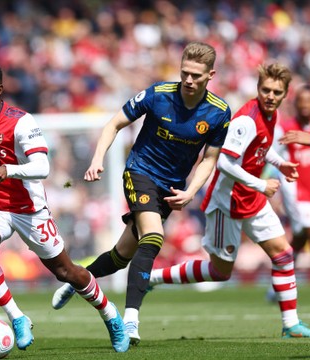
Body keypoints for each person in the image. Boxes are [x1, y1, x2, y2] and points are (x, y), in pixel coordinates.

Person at [0, 60, 129, 353]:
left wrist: (10, 169)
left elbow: (43, 166)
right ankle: (17, 317)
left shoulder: (21, 122)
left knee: (67, 272)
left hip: (29, 209)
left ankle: (110, 314)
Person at [52, 42, 231, 345]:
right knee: (154, 237)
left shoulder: (219, 112)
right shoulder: (157, 95)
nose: (188, 80)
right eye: (185, 73)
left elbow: (210, 158)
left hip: (171, 188)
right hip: (140, 172)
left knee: (122, 256)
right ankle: (131, 321)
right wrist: (98, 159)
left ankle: (77, 279)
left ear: (210, 75)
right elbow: (115, 123)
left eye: (196, 76)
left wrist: (191, 191)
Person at [148, 64, 310, 338]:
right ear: (258, 89)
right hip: (227, 203)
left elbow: (260, 150)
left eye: (276, 92)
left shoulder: (272, 115)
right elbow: (227, 163)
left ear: (284, 94)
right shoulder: (247, 119)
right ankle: (153, 277)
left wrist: (281, 163)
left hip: (252, 198)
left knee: (283, 254)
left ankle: (291, 324)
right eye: (265, 89)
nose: (270, 95)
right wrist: (261, 184)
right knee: (220, 272)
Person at [270, 85, 310, 304]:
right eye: (301, 101)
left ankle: (277, 285)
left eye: (309, 101)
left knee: (300, 238)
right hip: (294, 192)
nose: (305, 105)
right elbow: (272, 159)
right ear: (295, 104)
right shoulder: (285, 129)